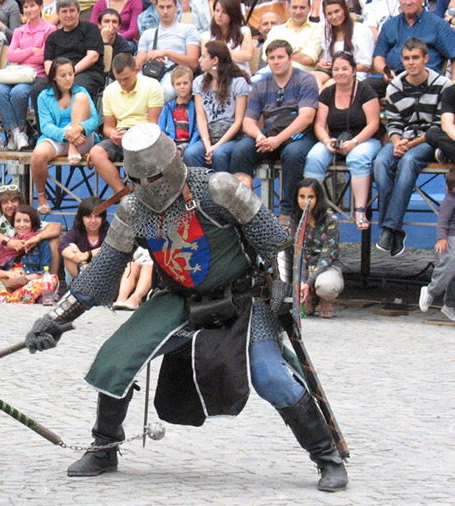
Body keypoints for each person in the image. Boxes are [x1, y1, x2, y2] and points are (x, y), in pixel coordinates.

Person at [22, 122, 349, 493]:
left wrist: (284, 296)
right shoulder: (133, 210)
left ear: (174, 161)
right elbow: (100, 274)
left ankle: (327, 457)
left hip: (242, 297)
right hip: (179, 300)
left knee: (271, 376)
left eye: (156, 176)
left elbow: (276, 243)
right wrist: (54, 319)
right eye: (139, 180)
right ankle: (105, 447)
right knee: (116, 359)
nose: (149, 186)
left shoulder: (218, 189)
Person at [373, 37, 452, 257]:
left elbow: (439, 126)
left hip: (429, 141)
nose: (411, 62)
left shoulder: (443, 85)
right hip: (402, 139)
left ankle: (389, 229)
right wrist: (397, 142)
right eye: (406, 58)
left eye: (415, 57)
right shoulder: (395, 87)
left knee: (408, 161)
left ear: (426, 59)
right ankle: (394, 230)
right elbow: (394, 123)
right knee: (380, 162)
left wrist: (409, 145)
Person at [232, 39, 319, 221]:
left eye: (280, 57)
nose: (276, 61)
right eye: (272, 58)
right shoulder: (260, 85)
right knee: (241, 150)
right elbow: (248, 121)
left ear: (290, 58)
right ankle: (243, 210)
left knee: (293, 154)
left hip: (299, 134)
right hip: (269, 134)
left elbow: (307, 117)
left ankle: (288, 213)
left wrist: (278, 140)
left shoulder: (306, 80)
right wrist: (259, 136)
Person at [304, 51, 381, 231]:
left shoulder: (365, 91)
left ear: (353, 70)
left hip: (364, 138)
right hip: (335, 138)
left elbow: (373, 124)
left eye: (345, 69)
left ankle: (360, 210)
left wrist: (354, 142)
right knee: (314, 157)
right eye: (336, 69)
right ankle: (314, 210)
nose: (340, 73)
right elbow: (320, 124)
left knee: (357, 158)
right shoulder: (327, 93)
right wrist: (326, 140)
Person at [30, 58, 100, 213]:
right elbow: (45, 125)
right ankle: (41, 195)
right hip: (59, 136)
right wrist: (66, 135)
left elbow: (95, 119)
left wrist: (78, 129)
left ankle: (73, 148)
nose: (68, 78)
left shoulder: (81, 91)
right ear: (54, 77)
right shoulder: (43, 96)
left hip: (82, 136)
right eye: (63, 75)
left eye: (71, 74)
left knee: (81, 98)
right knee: (38, 155)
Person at [90, 52, 163, 195]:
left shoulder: (152, 85)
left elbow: (153, 125)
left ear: (136, 70)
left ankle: (144, 195)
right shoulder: (110, 90)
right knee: (96, 153)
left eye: (126, 79)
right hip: (121, 134)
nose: (123, 83)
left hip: (146, 135)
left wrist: (132, 135)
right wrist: (112, 134)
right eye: (119, 80)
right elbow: (108, 127)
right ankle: (124, 195)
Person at [0, 0, 55, 151]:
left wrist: (22, 53)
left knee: (18, 92)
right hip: (16, 74)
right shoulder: (19, 31)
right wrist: (32, 50)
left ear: (41, 7)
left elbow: (44, 57)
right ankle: (17, 132)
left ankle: (19, 130)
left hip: (37, 75)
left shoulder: (49, 29)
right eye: (26, 6)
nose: (28, 9)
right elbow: (11, 56)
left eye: (32, 5)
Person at [29, 0, 106, 117]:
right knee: (37, 91)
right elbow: (48, 62)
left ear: (78, 12)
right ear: (58, 14)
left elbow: (93, 56)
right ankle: (45, 132)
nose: (68, 15)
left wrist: (69, 73)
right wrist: (55, 75)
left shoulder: (90, 29)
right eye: (64, 11)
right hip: (59, 74)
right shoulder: (53, 37)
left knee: (75, 88)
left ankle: (78, 130)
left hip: (87, 72)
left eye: (72, 11)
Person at [184, 41, 250, 175]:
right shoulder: (199, 82)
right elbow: (201, 116)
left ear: (215, 60)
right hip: (209, 136)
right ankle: (201, 194)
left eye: (203, 56)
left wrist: (216, 146)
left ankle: (223, 194)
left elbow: (238, 121)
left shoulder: (238, 82)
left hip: (232, 137)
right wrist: (208, 145)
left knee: (219, 154)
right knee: (191, 153)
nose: (199, 60)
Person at [0, 204, 54, 303]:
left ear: (32, 223)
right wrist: (8, 274)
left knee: (52, 280)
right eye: (18, 221)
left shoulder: (41, 243)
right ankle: (19, 297)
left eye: (26, 221)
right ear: (13, 223)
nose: (21, 225)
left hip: (29, 283)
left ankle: (2, 297)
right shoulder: (7, 241)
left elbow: (44, 273)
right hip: (7, 283)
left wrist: (22, 280)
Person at [369, 0, 455, 98]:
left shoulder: (438, 25)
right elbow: (379, 58)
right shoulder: (389, 25)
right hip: (394, 79)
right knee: (364, 88)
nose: (408, 2)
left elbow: (454, 55)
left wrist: (453, 84)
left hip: (426, 81)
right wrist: (386, 72)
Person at [284, 178, 343, 318]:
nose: (305, 201)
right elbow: (298, 253)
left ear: (318, 198)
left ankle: (324, 299)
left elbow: (327, 256)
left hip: (326, 266)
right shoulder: (294, 219)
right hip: (302, 267)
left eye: (310, 197)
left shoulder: (330, 220)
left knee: (327, 287)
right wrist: (302, 280)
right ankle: (309, 297)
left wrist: (308, 282)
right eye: (302, 197)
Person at [135, 0, 201, 102]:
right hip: (152, 70)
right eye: (161, 7)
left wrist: (166, 53)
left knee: (168, 90)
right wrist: (150, 56)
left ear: (176, 7)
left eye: (169, 7)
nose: (165, 11)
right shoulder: (147, 34)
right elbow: (137, 66)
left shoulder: (189, 29)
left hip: (176, 71)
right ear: (156, 9)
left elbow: (194, 63)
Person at [418, 168, 455, 321]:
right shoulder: (450, 201)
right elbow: (442, 221)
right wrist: (441, 238)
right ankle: (431, 291)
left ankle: (450, 305)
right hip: (451, 237)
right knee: (449, 264)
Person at [310, 0, 373, 90]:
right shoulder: (327, 31)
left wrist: (340, 67)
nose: (334, 17)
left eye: (337, 11)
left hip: (354, 73)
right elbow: (327, 59)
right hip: (332, 70)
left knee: (328, 86)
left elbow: (365, 65)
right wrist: (324, 64)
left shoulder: (361, 30)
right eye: (329, 14)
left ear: (344, 10)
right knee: (311, 79)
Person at [260, 0, 322, 74]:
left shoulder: (317, 29)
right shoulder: (276, 30)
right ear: (288, 8)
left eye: (302, 8)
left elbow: (309, 59)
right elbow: (266, 55)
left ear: (310, 8)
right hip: (273, 74)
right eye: (294, 7)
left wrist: (280, 53)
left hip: (302, 75)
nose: (298, 12)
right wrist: (295, 53)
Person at [59, 196, 109, 281]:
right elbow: (62, 246)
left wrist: (86, 255)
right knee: (71, 247)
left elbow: (111, 248)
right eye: (89, 216)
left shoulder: (107, 230)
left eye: (97, 216)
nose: (93, 221)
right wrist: (81, 261)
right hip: (79, 276)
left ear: (102, 218)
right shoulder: (77, 229)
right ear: (82, 218)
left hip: (101, 277)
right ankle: (79, 287)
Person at [203, 0, 254, 75]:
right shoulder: (206, 36)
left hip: (239, 75)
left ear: (233, 13)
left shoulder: (244, 31)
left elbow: (248, 55)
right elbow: (207, 60)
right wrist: (235, 56)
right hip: (215, 76)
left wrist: (219, 55)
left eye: (224, 12)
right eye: (217, 11)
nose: (219, 15)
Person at [156, 65, 197, 152]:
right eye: (178, 84)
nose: (182, 87)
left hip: (189, 142)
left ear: (191, 83)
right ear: (173, 86)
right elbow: (161, 129)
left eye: (185, 83)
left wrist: (190, 145)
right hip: (172, 142)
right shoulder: (168, 107)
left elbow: (197, 130)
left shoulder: (195, 105)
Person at [111, 246, 152, 310]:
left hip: (154, 265)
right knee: (131, 266)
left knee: (148, 267)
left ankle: (135, 298)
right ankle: (121, 298)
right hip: (140, 260)